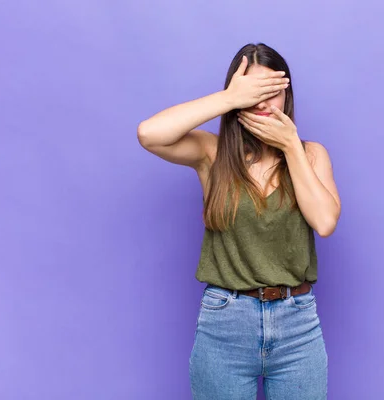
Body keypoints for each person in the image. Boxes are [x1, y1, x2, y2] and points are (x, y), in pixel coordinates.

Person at [137, 43, 341, 400]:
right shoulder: (211, 153)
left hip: (297, 324)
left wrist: (291, 145)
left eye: (271, 92)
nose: (262, 103)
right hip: (225, 322)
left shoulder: (311, 154)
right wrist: (228, 97)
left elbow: (324, 222)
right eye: (252, 92)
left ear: (286, 95)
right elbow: (149, 134)